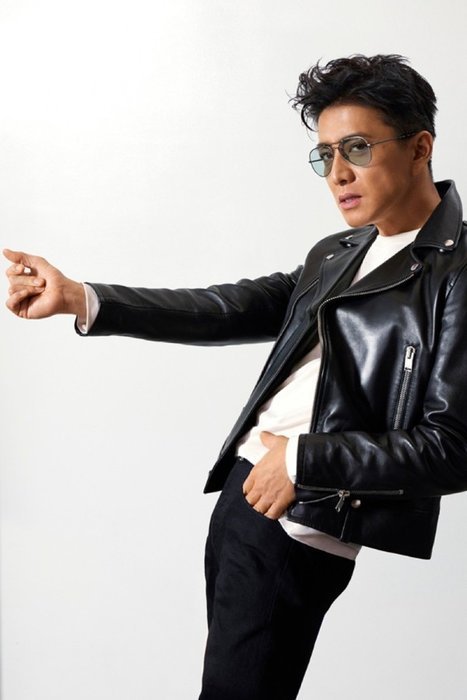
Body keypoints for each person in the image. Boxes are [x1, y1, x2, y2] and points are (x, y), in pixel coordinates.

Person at [4, 54, 467, 700]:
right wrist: (83, 298)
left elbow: (451, 448)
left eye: (357, 148)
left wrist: (302, 461)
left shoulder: (454, 273)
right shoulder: (339, 253)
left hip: (300, 513)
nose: (337, 174)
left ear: (420, 147)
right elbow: (227, 306)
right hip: (245, 495)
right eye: (325, 155)